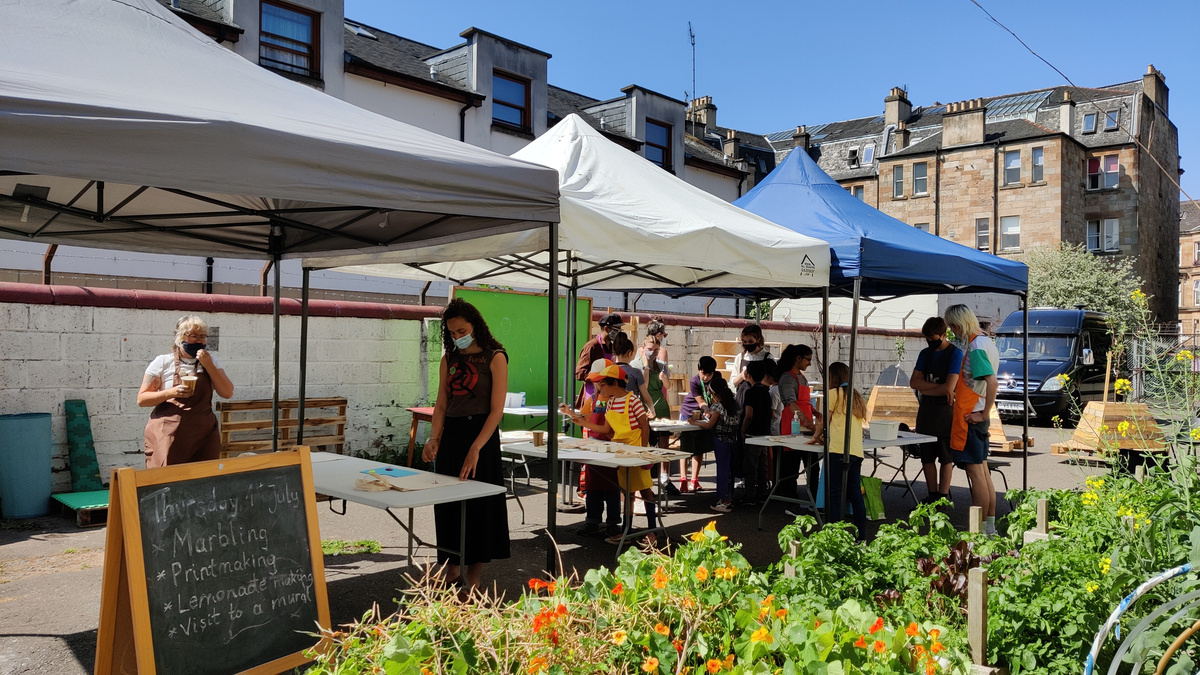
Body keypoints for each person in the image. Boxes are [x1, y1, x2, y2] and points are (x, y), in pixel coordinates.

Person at [421, 299, 510, 592]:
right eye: (453, 333)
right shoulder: (450, 358)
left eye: (462, 330)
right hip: (452, 435)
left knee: (479, 507)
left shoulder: (495, 356)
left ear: (475, 325)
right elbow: (441, 404)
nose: (459, 336)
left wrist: (476, 448)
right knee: (448, 504)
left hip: (482, 435)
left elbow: (497, 409)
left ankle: (474, 577)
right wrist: (434, 438)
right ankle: (451, 569)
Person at [561, 364, 657, 546]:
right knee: (627, 491)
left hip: (636, 448)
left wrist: (643, 450)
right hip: (621, 450)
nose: (600, 388)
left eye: (603, 384)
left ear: (614, 383)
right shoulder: (612, 402)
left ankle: (652, 531)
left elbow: (644, 425)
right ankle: (627, 529)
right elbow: (606, 429)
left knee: (645, 490)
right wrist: (582, 421)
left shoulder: (633, 400)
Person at [139, 316, 234, 468]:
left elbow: (227, 392)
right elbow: (142, 399)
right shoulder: (163, 362)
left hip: (203, 434)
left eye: (202, 336)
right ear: (180, 337)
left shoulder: (212, 362)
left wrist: (208, 364)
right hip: (169, 433)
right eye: (193, 336)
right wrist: (171, 393)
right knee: (167, 479)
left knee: (203, 478)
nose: (198, 341)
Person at [944, 304, 1001, 536]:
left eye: (951, 327)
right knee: (984, 472)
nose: (952, 331)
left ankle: (978, 531)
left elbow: (992, 382)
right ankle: (989, 527)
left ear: (957, 325)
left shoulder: (976, 346)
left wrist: (984, 413)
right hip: (975, 417)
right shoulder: (986, 342)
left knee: (976, 473)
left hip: (971, 418)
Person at [807, 362, 868, 541]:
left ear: (832, 377)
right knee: (855, 494)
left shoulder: (833, 394)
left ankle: (832, 535)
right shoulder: (856, 396)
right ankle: (861, 536)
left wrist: (816, 437)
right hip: (855, 451)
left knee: (834, 494)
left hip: (838, 450)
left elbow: (824, 421)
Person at [910, 317, 963, 505]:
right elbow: (913, 382)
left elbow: (949, 387)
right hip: (926, 411)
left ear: (943, 335)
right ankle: (932, 494)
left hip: (946, 412)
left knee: (945, 456)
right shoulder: (925, 354)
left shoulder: (955, 354)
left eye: (933, 338)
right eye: (927, 339)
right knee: (927, 456)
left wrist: (926, 387)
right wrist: (938, 388)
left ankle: (942, 495)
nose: (930, 342)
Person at [576, 359, 622, 538]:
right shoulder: (593, 398)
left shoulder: (617, 400)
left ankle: (613, 523)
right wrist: (572, 415)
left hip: (612, 447)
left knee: (612, 487)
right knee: (593, 486)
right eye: (595, 381)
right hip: (594, 448)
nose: (597, 385)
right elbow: (583, 415)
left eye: (600, 381)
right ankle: (592, 521)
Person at [776, 344, 815, 503]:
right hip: (792, 422)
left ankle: (814, 498)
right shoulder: (787, 377)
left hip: (805, 421)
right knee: (791, 464)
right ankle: (790, 499)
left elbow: (805, 402)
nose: (809, 363)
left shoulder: (801, 376)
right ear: (798, 358)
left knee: (812, 464)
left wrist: (815, 413)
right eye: (808, 359)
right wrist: (807, 421)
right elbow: (792, 404)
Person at [696, 373, 740, 513]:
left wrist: (694, 422)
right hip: (732, 440)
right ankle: (729, 498)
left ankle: (723, 500)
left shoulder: (718, 407)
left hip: (720, 441)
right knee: (730, 470)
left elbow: (709, 425)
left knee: (722, 470)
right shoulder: (735, 404)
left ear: (714, 392)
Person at [675, 356, 716, 493]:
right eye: (703, 373)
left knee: (699, 448)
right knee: (686, 448)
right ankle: (683, 480)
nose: (705, 377)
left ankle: (694, 480)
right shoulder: (694, 381)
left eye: (709, 374)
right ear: (699, 370)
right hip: (688, 413)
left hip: (703, 416)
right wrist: (707, 410)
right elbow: (701, 401)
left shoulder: (715, 381)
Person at [739, 359, 774, 505]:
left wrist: (743, 430)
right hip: (765, 432)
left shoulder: (750, 392)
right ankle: (761, 493)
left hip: (752, 433)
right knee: (762, 465)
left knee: (750, 466)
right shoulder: (766, 392)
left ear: (748, 375)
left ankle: (749, 496)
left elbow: (749, 415)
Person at [575, 313, 625, 404]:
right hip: (593, 395)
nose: (619, 332)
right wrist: (599, 377)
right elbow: (579, 373)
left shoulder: (613, 346)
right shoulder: (592, 346)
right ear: (606, 329)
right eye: (617, 329)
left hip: (609, 394)